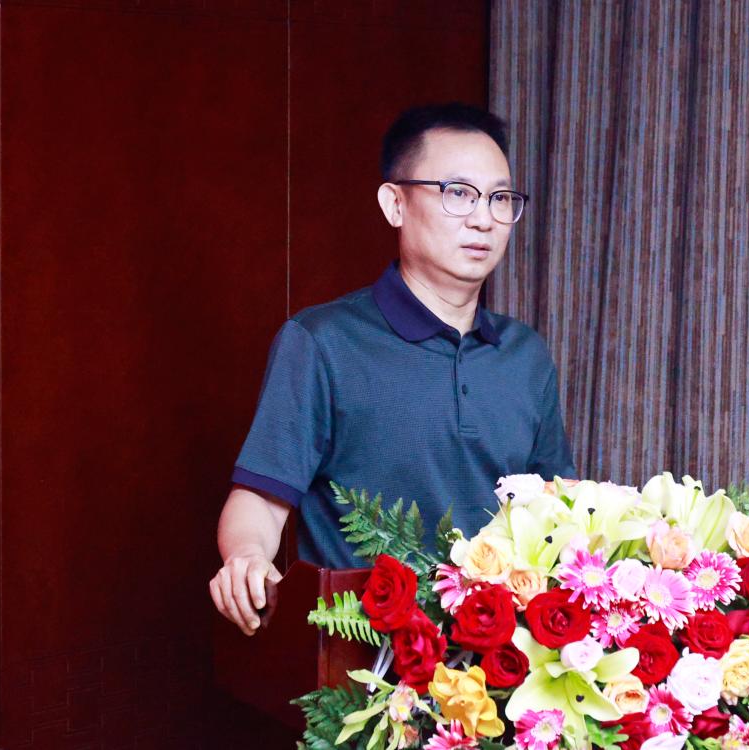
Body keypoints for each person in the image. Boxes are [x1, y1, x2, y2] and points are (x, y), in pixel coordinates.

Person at [209, 103, 576, 635]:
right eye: (458, 193)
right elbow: (262, 501)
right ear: (395, 204)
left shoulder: (525, 355)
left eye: (499, 198)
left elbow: (559, 506)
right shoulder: (323, 341)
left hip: (500, 658)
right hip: (364, 653)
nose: (483, 218)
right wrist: (246, 557)